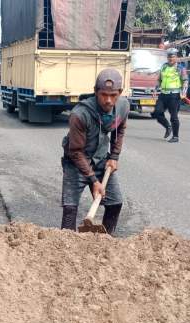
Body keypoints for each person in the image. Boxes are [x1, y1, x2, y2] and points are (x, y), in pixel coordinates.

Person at [60, 69, 128, 236]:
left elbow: (120, 129)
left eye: (113, 95)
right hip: (76, 162)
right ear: (96, 91)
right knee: (70, 210)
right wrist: (93, 181)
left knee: (115, 203)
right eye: (104, 95)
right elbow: (75, 151)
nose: (109, 100)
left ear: (120, 92)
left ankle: (104, 241)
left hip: (101, 160)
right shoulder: (80, 114)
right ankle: (65, 248)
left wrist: (114, 156)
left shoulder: (123, 106)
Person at [153, 48, 188, 143]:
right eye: (169, 56)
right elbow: (159, 79)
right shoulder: (164, 67)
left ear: (176, 57)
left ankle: (175, 137)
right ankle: (168, 127)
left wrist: (184, 92)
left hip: (174, 95)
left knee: (173, 116)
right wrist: (155, 89)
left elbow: (185, 81)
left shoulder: (180, 68)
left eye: (172, 56)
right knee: (157, 112)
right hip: (163, 94)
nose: (170, 58)